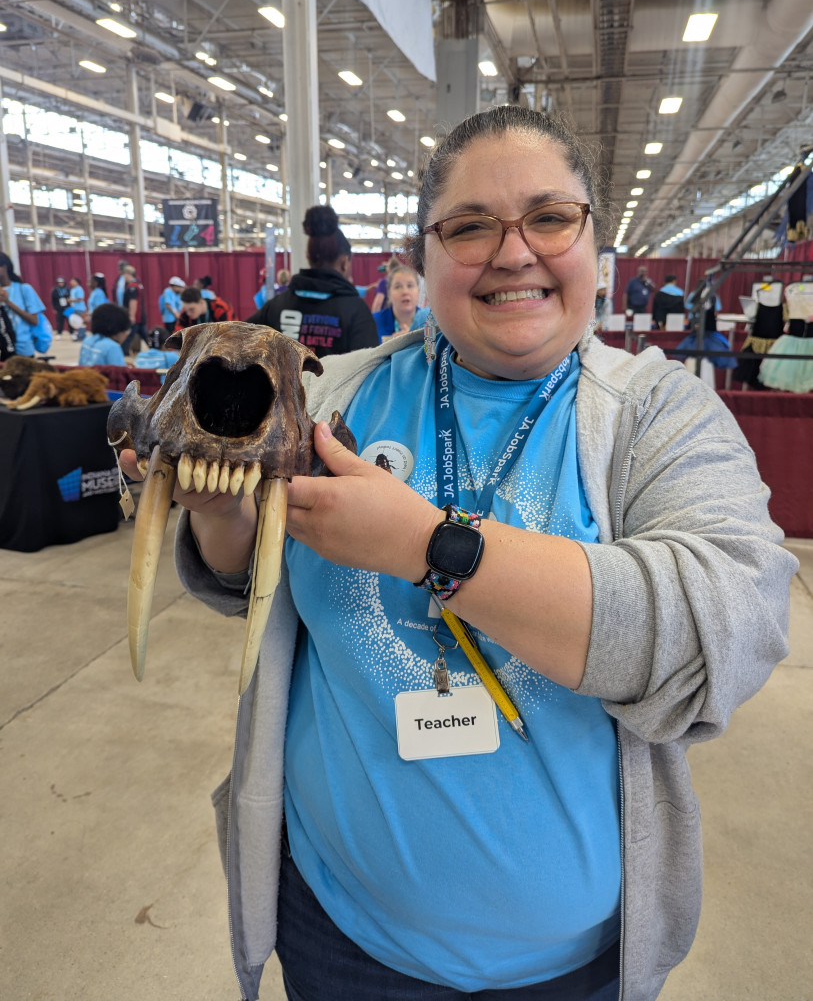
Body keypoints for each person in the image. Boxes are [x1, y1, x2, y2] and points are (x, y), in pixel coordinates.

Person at [120, 106, 795, 1001]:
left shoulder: (658, 414)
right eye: (470, 227)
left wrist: (425, 546)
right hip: (337, 933)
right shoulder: (332, 395)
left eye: (548, 218)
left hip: (569, 970)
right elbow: (250, 582)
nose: (513, 253)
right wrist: (223, 511)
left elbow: (727, 630)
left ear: (594, 242)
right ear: (421, 260)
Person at [247, 204, 379, 357]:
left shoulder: (276, 306)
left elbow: (234, 341)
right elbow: (370, 367)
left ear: (308, 257)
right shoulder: (357, 311)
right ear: (344, 262)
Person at [0, 252, 46, 357]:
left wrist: (7, 302)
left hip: (23, 349)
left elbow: (34, 320)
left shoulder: (24, 289)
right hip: (3, 349)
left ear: (5, 267)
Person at [372, 263, 429, 341]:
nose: (405, 291)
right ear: (389, 294)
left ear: (418, 291)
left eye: (410, 286)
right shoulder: (374, 321)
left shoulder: (430, 322)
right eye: (398, 287)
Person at [78, 302, 131, 367]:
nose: (126, 334)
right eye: (126, 330)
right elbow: (119, 372)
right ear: (118, 329)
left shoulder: (87, 340)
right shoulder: (112, 347)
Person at [121, 265, 149, 354]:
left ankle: (123, 352)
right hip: (139, 316)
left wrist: (131, 316)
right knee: (144, 335)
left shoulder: (132, 286)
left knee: (129, 335)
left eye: (124, 275)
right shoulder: (137, 284)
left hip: (136, 316)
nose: (123, 277)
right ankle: (156, 347)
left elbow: (133, 302)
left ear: (128, 274)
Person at [68, 276, 88, 341]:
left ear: (77, 282)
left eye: (73, 281)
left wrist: (71, 300)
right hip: (74, 308)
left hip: (80, 308)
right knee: (77, 322)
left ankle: (81, 336)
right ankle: (80, 335)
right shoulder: (72, 289)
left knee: (81, 322)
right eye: (71, 281)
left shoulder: (79, 289)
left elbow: (80, 299)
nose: (71, 282)